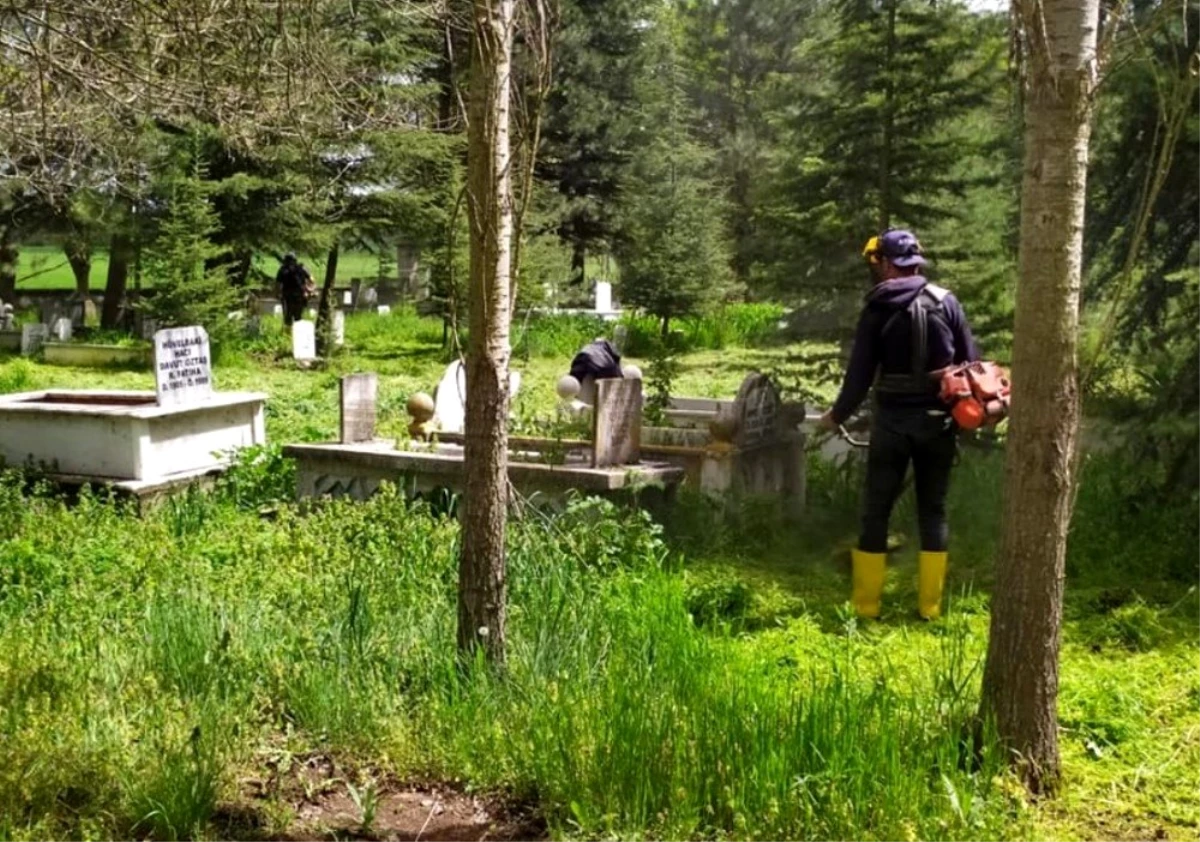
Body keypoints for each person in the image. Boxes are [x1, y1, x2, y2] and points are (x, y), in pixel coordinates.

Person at [819, 229, 978, 620]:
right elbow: (971, 364)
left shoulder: (877, 308)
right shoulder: (948, 303)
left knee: (876, 512)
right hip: (939, 424)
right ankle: (930, 608)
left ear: (887, 263)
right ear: (917, 262)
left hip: (891, 424)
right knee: (933, 512)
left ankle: (867, 606)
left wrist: (835, 417)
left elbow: (859, 376)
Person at [276, 253, 313, 327]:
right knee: (298, 317)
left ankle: (288, 334)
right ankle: (297, 334)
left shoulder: (283, 270)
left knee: (288, 317)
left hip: (288, 296)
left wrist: (277, 294)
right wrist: (309, 290)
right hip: (299, 295)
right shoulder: (302, 268)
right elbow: (311, 280)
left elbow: (278, 284)